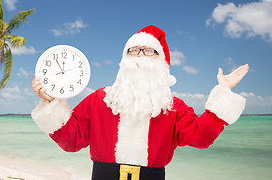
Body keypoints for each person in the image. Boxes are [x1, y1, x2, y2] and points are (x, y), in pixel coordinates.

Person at [31, 25, 249, 180]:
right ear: (124, 58)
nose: (140, 56)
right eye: (133, 50)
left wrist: (224, 92)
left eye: (149, 51)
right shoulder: (99, 100)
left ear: (161, 62)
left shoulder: (173, 108)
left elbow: (200, 137)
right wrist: (52, 101)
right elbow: (72, 141)